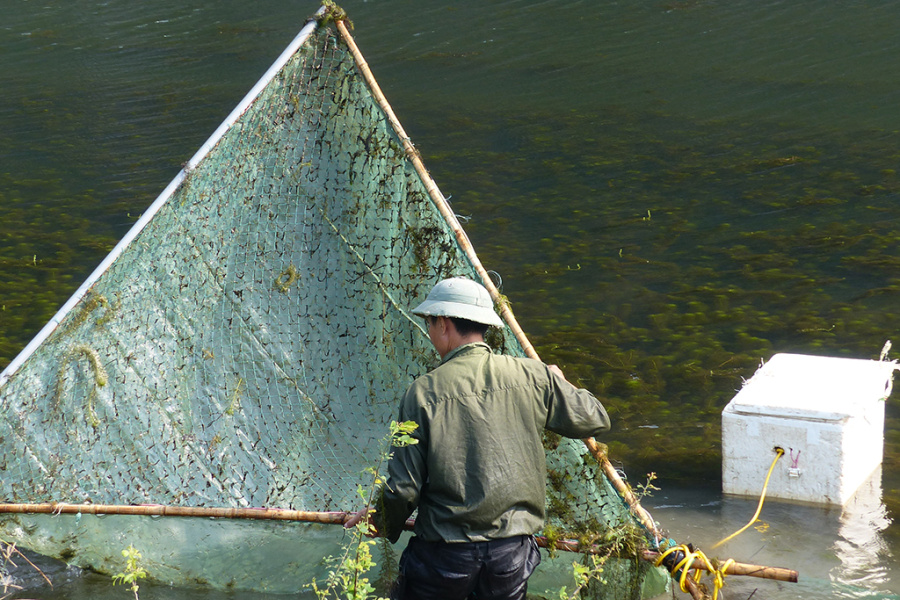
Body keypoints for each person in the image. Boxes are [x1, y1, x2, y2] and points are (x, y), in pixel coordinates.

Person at [345, 276, 610, 600]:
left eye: (429, 322)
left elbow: (403, 489)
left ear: (443, 323)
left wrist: (378, 522)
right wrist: (557, 381)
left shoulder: (422, 393)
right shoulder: (533, 376)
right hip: (510, 558)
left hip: (444, 558)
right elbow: (595, 418)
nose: (429, 332)